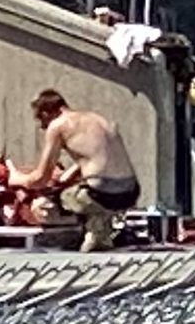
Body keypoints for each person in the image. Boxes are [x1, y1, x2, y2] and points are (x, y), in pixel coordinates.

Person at [16, 86, 141, 252]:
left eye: (40, 120)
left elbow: (40, 179)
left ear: (46, 113)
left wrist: (17, 178)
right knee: (82, 193)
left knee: (45, 204)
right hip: (130, 192)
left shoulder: (58, 125)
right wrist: (70, 175)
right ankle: (102, 227)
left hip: (101, 192)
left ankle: (91, 228)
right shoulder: (98, 119)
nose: (42, 127)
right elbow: (98, 156)